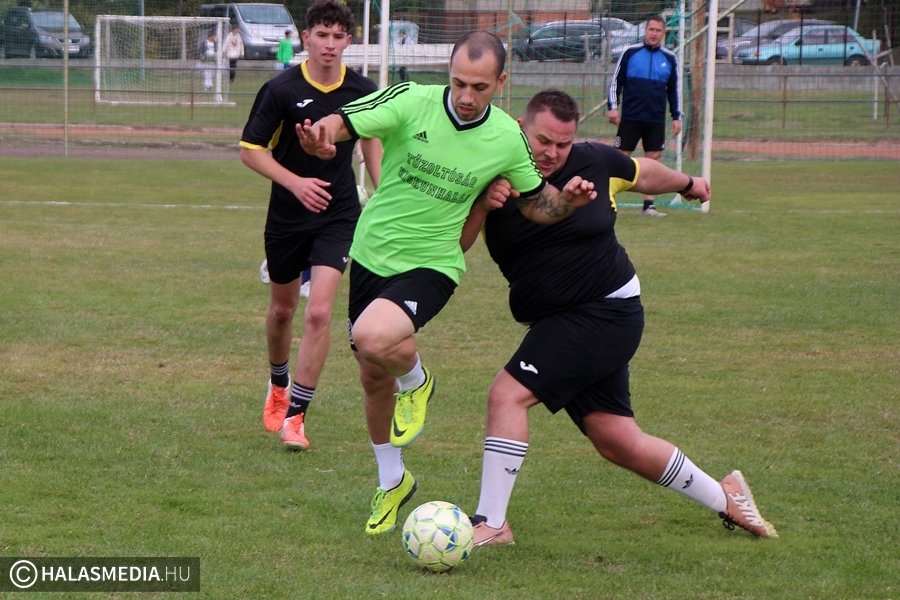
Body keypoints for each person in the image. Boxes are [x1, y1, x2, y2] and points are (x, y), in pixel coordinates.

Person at [296, 31, 597, 536]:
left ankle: (418, 381)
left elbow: (535, 202)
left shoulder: (506, 136)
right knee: (371, 373)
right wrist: (320, 135)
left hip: (434, 261)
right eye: (458, 82)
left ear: (500, 83)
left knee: (372, 337)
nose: (465, 95)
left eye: (479, 87)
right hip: (373, 254)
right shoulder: (411, 100)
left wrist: (568, 202)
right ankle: (392, 479)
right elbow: (346, 119)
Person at [458, 89, 777, 547]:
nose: (551, 152)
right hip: (563, 318)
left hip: (605, 310)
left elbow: (643, 172)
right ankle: (726, 497)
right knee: (616, 439)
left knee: (507, 396)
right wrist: (483, 204)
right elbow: (460, 246)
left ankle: (491, 523)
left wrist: (687, 183)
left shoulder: (593, 162)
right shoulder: (493, 171)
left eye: (562, 144)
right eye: (543, 140)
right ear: (521, 127)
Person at [240, 0, 382, 450]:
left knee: (319, 312)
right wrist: (296, 183)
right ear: (306, 38)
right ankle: (278, 382)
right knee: (283, 310)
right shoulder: (281, 88)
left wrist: (381, 192)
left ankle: (297, 418)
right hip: (286, 214)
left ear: (349, 41)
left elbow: (374, 135)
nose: (330, 44)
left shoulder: (363, 90)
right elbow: (250, 150)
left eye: (339, 37)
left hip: (338, 215)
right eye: (322, 35)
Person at [607, 14, 681, 217]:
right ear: (645, 31)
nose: (654, 34)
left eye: (658, 30)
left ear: (663, 34)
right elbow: (615, 83)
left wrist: (676, 116)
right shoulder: (630, 53)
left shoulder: (670, 59)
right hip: (630, 117)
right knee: (620, 158)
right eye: (651, 29)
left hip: (656, 119)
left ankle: (649, 206)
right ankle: (606, 200)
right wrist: (613, 107)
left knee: (654, 160)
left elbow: (673, 90)